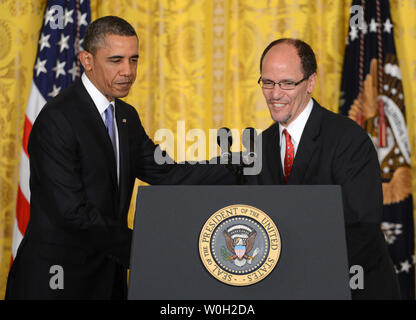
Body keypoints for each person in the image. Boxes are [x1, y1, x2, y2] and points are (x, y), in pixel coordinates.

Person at [5, 16, 233, 300]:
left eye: (133, 59)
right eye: (116, 60)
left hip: (108, 278)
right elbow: (73, 215)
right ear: (86, 60)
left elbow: (169, 173)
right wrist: (145, 247)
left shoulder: (126, 116)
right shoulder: (58, 119)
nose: (128, 71)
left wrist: (238, 165)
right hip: (58, 280)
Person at [247, 38, 400, 299]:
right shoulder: (258, 147)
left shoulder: (348, 139)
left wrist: (297, 272)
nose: (274, 94)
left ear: (311, 83)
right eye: (268, 82)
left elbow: (361, 227)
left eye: (287, 83)